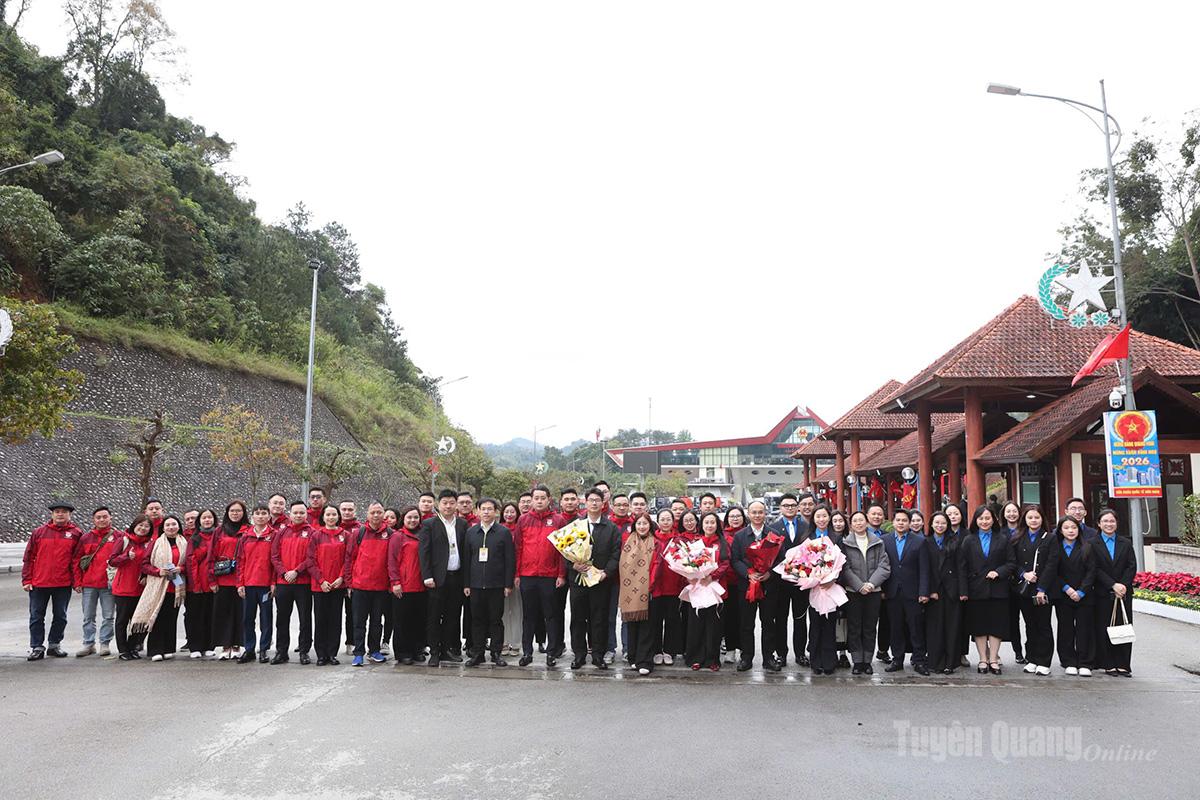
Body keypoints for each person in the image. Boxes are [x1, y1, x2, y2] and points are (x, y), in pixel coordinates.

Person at [512, 485, 566, 667]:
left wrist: (561, 574)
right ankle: (527, 652)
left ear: (549, 499)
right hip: (527, 575)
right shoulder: (524, 520)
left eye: (543, 497)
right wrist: (517, 573)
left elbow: (562, 550)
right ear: (532, 500)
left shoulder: (558, 520)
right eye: (536, 498)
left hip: (549, 576)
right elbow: (518, 548)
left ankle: (551, 653)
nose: (540, 501)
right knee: (529, 616)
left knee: (551, 615)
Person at [22, 501, 83, 660]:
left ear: (70, 515)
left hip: (62, 583)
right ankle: (37, 646)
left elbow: (77, 560)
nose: (60, 514)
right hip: (39, 582)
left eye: (64, 512)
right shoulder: (39, 532)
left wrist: (77, 582)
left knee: (60, 616)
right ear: (52, 514)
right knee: (36, 616)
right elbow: (29, 557)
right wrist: (27, 579)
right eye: (57, 511)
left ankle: (54, 644)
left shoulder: (76, 534)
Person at [959, 505, 1016, 674]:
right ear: (976, 521)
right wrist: (963, 591)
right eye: (981, 518)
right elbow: (962, 567)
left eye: (988, 518)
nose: (984, 521)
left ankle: (994, 659)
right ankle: (983, 659)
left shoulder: (1003, 539)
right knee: (979, 626)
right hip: (976, 589)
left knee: (997, 625)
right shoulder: (969, 540)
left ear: (994, 520)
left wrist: (998, 572)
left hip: (998, 588)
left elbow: (1011, 563)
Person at [567, 488, 620, 670]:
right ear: (586, 503)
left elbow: (616, 553)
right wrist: (573, 565)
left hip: (600, 581)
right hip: (578, 580)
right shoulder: (575, 525)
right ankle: (579, 655)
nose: (594, 503)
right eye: (591, 500)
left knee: (599, 619)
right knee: (578, 619)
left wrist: (606, 572)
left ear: (603, 503)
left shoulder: (611, 527)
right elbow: (563, 552)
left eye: (598, 500)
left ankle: (598, 655)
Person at [730, 500, 785, 672]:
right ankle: (746, 657)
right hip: (747, 586)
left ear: (765, 513)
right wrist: (748, 573)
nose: (757, 515)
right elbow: (735, 559)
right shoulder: (740, 536)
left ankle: (768, 658)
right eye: (754, 512)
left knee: (768, 623)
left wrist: (770, 573)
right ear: (748, 514)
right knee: (746, 624)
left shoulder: (773, 534)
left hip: (769, 585)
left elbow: (781, 559)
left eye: (760, 512)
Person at [419, 489, 469, 667]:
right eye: (444, 503)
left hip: (456, 577)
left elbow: (466, 553)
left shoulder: (463, 524)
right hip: (436, 579)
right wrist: (427, 576)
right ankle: (434, 651)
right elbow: (423, 553)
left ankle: (447, 650)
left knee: (452, 616)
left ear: (456, 504)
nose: (448, 506)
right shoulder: (429, 524)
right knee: (434, 616)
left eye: (451, 503)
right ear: (438, 505)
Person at [463, 498, 515, 666]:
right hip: (476, 585)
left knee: (495, 620)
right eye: (483, 509)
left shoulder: (503, 532)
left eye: (489, 509)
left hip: (496, 585)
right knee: (477, 620)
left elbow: (510, 560)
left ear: (495, 512)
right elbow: (466, 560)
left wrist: (508, 584)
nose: (486, 512)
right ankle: (478, 653)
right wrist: (466, 584)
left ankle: (496, 653)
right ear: (477, 511)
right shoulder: (471, 533)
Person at [1043, 516, 1096, 676]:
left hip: (1084, 595)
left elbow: (1092, 571)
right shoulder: (1055, 547)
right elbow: (1053, 571)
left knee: (1084, 628)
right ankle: (1068, 661)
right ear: (1060, 530)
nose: (1070, 531)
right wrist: (1067, 589)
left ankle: (1085, 662)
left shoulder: (1087, 546)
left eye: (1073, 527)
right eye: (1066, 528)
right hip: (1063, 594)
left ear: (1079, 529)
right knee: (1065, 628)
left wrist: (1081, 591)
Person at [880, 509, 931, 675]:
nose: (901, 523)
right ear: (893, 522)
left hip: (913, 592)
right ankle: (897, 659)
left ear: (909, 523)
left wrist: (924, 592)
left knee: (916, 627)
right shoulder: (884, 541)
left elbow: (924, 569)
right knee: (896, 627)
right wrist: (881, 588)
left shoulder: (919, 542)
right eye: (898, 520)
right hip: (892, 592)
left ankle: (919, 660)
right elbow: (882, 567)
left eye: (904, 520)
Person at [839, 510, 890, 675]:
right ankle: (857, 661)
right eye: (855, 521)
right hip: (853, 591)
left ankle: (867, 661)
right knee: (854, 627)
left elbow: (884, 566)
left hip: (873, 591)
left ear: (866, 522)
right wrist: (859, 585)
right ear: (851, 525)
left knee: (869, 627)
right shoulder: (845, 543)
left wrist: (871, 584)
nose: (859, 523)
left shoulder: (878, 542)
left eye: (861, 520)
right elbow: (844, 568)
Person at [132, 514, 188, 662]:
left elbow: (189, 563)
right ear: (163, 528)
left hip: (175, 586)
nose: (171, 527)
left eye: (174, 524)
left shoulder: (184, 542)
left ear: (178, 526)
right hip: (158, 586)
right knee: (157, 618)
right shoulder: (156, 543)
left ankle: (169, 648)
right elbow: (144, 564)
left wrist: (180, 568)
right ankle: (155, 649)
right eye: (167, 525)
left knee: (171, 618)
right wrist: (158, 571)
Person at [768, 492, 811, 668]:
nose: (790, 508)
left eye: (793, 505)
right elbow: (769, 554)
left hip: (801, 580)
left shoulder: (807, 526)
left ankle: (800, 653)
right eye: (786, 505)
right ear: (780, 508)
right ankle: (781, 653)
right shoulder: (773, 527)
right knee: (781, 619)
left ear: (798, 507)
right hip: (780, 581)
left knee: (800, 618)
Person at [1090, 508, 1135, 677]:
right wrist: (1112, 585)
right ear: (1099, 524)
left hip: (1123, 593)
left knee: (1124, 626)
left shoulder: (1125, 543)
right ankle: (1108, 663)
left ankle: (1124, 664)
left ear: (1117, 523)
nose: (1109, 524)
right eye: (1105, 521)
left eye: (1112, 521)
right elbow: (1095, 569)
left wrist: (1122, 585)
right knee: (1104, 627)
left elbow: (1131, 566)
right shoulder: (1093, 544)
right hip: (1103, 592)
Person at [348, 502, 393, 666]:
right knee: (359, 622)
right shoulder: (358, 533)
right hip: (360, 586)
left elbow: (392, 561)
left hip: (381, 587)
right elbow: (350, 558)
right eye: (373, 512)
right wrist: (349, 582)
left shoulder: (390, 534)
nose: (376, 515)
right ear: (367, 515)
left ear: (384, 515)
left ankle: (374, 650)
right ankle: (358, 652)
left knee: (376, 622)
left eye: (379, 512)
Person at [1013, 504, 1054, 676]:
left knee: (1043, 624)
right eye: (1030, 517)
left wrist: (1042, 588)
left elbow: (1052, 564)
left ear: (1042, 518)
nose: (1033, 520)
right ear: (1025, 519)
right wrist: (1023, 574)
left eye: (1037, 517)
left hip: (1042, 590)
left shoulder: (1049, 538)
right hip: (1024, 588)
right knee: (1029, 625)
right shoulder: (1017, 537)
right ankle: (1032, 658)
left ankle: (1044, 661)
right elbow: (1012, 562)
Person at [73, 506, 119, 658]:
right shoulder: (86, 538)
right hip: (89, 584)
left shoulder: (119, 536)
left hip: (109, 584)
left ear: (110, 518)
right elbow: (76, 560)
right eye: (98, 517)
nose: (101, 520)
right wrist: (78, 582)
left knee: (108, 616)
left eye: (104, 517)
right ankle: (88, 643)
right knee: (88, 616)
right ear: (93, 520)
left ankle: (104, 643)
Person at [685, 512, 729, 671]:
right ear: (701, 525)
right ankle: (696, 658)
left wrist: (712, 576)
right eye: (706, 522)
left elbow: (725, 563)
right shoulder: (695, 544)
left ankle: (712, 659)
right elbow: (687, 564)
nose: (709, 525)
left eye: (712, 522)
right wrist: (690, 576)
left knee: (714, 626)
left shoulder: (722, 543)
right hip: (698, 588)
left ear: (717, 525)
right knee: (696, 624)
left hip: (715, 588)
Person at [272, 500, 314, 665]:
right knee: (282, 618)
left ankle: (304, 651)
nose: (298, 515)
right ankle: (281, 652)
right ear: (289, 514)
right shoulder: (281, 532)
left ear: (306, 514)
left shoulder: (311, 533)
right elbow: (274, 556)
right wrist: (284, 573)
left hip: (303, 582)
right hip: (283, 583)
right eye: (295, 512)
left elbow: (311, 557)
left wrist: (296, 571)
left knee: (305, 619)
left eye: (302, 513)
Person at [308, 504, 350, 666]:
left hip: (337, 585)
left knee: (335, 620)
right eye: (328, 515)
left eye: (334, 514)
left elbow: (347, 559)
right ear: (323, 517)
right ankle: (321, 654)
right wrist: (321, 580)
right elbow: (311, 560)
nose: (331, 517)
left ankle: (332, 653)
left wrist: (341, 578)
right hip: (320, 586)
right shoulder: (316, 536)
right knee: (320, 620)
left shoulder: (345, 535)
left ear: (338, 517)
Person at [923, 511, 964, 674]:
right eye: (937, 522)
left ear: (947, 526)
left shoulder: (955, 541)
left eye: (943, 523)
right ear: (931, 524)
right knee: (935, 627)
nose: (940, 526)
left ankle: (951, 662)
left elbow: (961, 567)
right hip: (935, 591)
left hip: (952, 590)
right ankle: (935, 662)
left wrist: (963, 591)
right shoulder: (925, 542)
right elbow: (924, 569)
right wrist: (929, 590)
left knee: (952, 626)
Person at [109, 515, 154, 661]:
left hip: (141, 588)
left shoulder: (150, 544)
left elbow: (151, 563)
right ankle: (123, 650)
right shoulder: (124, 540)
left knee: (140, 620)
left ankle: (133, 646)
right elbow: (113, 561)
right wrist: (126, 556)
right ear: (134, 525)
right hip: (123, 587)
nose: (143, 528)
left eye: (146, 526)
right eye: (140, 525)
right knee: (122, 620)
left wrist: (146, 575)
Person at [619, 513, 659, 675]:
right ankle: (634, 658)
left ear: (650, 525)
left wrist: (650, 585)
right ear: (634, 525)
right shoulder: (626, 541)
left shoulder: (655, 542)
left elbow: (657, 564)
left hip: (649, 589)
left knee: (647, 627)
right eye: (639, 523)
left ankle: (645, 660)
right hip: (629, 590)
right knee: (632, 625)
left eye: (645, 523)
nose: (642, 526)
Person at [236, 504, 275, 664]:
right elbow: (240, 561)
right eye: (257, 513)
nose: (260, 516)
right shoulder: (245, 536)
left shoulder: (274, 535)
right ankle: (249, 649)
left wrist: (273, 583)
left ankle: (264, 649)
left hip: (265, 585)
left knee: (266, 618)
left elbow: (275, 560)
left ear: (268, 516)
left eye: (264, 513)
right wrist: (240, 583)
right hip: (248, 584)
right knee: (247, 618)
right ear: (252, 516)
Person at [387, 506, 427, 665]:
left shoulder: (424, 535)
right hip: (403, 586)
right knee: (402, 621)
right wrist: (395, 582)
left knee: (419, 620)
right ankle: (403, 652)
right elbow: (391, 561)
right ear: (403, 519)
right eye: (409, 517)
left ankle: (417, 649)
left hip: (421, 586)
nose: (412, 520)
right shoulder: (398, 536)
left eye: (416, 517)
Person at [209, 500, 248, 660]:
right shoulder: (219, 531)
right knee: (223, 613)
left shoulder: (249, 530)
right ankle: (225, 645)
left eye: (238, 511)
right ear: (227, 512)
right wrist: (211, 579)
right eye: (232, 511)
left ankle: (238, 644)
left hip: (242, 579)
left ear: (243, 513)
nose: (235, 513)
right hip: (223, 578)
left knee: (241, 613)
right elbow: (211, 556)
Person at [650, 507, 684, 665]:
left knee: (672, 620)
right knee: (655, 620)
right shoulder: (651, 539)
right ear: (658, 521)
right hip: (655, 587)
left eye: (668, 519)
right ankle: (656, 650)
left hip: (673, 586)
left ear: (673, 522)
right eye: (662, 519)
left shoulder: (679, 541)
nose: (665, 522)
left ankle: (670, 650)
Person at [186, 509, 218, 659]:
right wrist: (195, 584)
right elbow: (191, 561)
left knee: (211, 615)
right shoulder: (195, 539)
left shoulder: (219, 536)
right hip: (197, 585)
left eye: (209, 517)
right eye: (204, 518)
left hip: (214, 583)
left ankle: (209, 645)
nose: (207, 520)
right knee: (195, 616)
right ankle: (195, 646)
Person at [605, 493, 634, 664]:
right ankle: (609, 648)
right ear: (612, 506)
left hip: (630, 579)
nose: (622, 507)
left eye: (625, 504)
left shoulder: (636, 525)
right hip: (610, 577)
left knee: (627, 617)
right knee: (609, 615)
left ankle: (628, 648)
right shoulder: (607, 524)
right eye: (618, 505)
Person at [864, 502, 892, 666]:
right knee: (866, 622)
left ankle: (882, 650)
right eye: (873, 514)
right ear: (867, 516)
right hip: (861, 585)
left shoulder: (887, 535)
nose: (876, 517)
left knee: (885, 620)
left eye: (879, 514)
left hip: (883, 584)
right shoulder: (859, 534)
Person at [998, 501, 1025, 664]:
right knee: (1011, 619)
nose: (1011, 514)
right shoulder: (1000, 533)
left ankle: (1028, 651)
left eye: (1014, 511)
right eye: (1008, 512)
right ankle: (1017, 651)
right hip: (1007, 582)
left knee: (1028, 620)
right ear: (1003, 514)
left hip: (1024, 580)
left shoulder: (1025, 531)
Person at [720, 505, 746, 664]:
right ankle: (730, 649)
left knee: (745, 618)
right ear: (727, 519)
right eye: (732, 516)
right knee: (729, 617)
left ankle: (745, 649)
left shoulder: (748, 533)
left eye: (738, 516)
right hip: (727, 582)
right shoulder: (722, 535)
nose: (735, 519)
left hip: (746, 581)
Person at [498, 502, 523, 656]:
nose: (509, 514)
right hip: (499, 576)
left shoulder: (520, 529)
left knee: (516, 610)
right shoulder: (498, 529)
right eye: (506, 512)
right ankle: (504, 642)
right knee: (501, 611)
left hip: (516, 575)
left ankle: (516, 643)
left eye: (512, 511)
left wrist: (517, 574)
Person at [339, 500, 362, 654]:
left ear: (355, 511)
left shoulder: (360, 530)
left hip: (350, 578)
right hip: (331, 579)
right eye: (344, 509)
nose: (347, 512)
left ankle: (351, 641)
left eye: (350, 509)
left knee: (351, 612)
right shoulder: (334, 526)